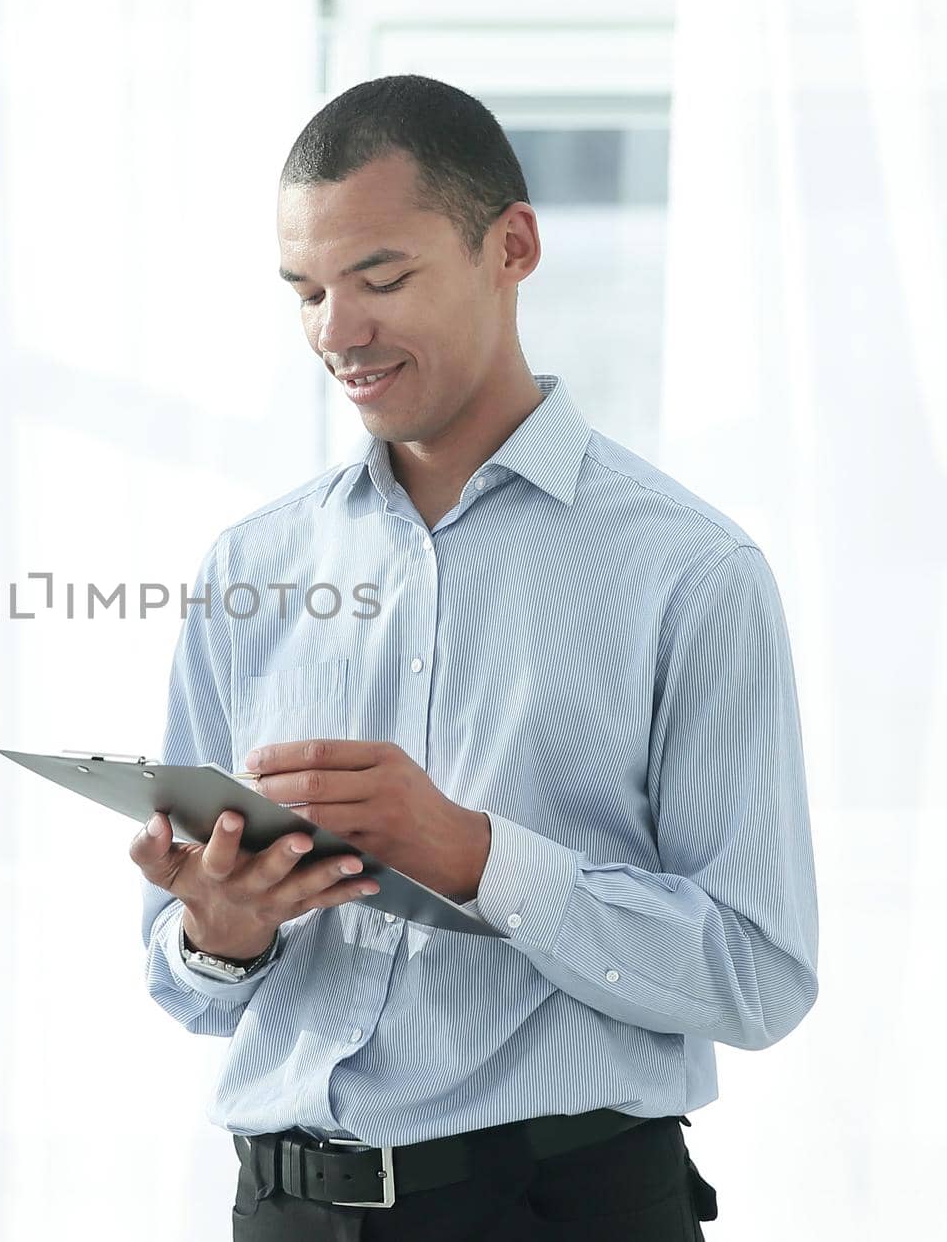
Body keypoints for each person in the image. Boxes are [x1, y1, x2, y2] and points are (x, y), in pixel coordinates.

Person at [130, 75, 817, 1240]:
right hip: (282, 1209)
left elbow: (755, 975)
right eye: (307, 291)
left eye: (381, 278)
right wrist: (219, 933)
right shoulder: (248, 563)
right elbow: (184, 984)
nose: (337, 332)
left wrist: (475, 854)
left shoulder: (691, 573)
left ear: (513, 245)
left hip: (557, 1209)